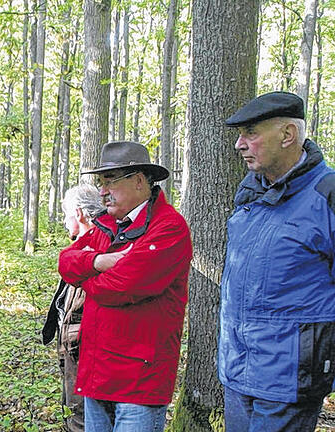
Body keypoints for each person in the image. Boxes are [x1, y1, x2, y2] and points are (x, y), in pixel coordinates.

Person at [219, 91, 335, 432]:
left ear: (288, 135)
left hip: (289, 381)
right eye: (240, 135)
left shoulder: (326, 194)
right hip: (238, 372)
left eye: (251, 133)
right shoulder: (251, 194)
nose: (240, 144)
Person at [57, 141, 193, 432]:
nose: (103, 191)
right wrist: (99, 262)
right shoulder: (106, 226)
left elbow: (120, 287)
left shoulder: (168, 227)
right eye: (101, 182)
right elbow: (66, 262)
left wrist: (86, 276)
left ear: (139, 181)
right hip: (97, 373)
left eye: (110, 181)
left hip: (139, 380)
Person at [42, 182, 104, 432]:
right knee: (73, 413)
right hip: (73, 348)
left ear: (78, 213)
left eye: (67, 214)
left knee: (81, 419)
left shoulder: (96, 252)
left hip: (86, 352)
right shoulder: (81, 251)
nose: (65, 221)